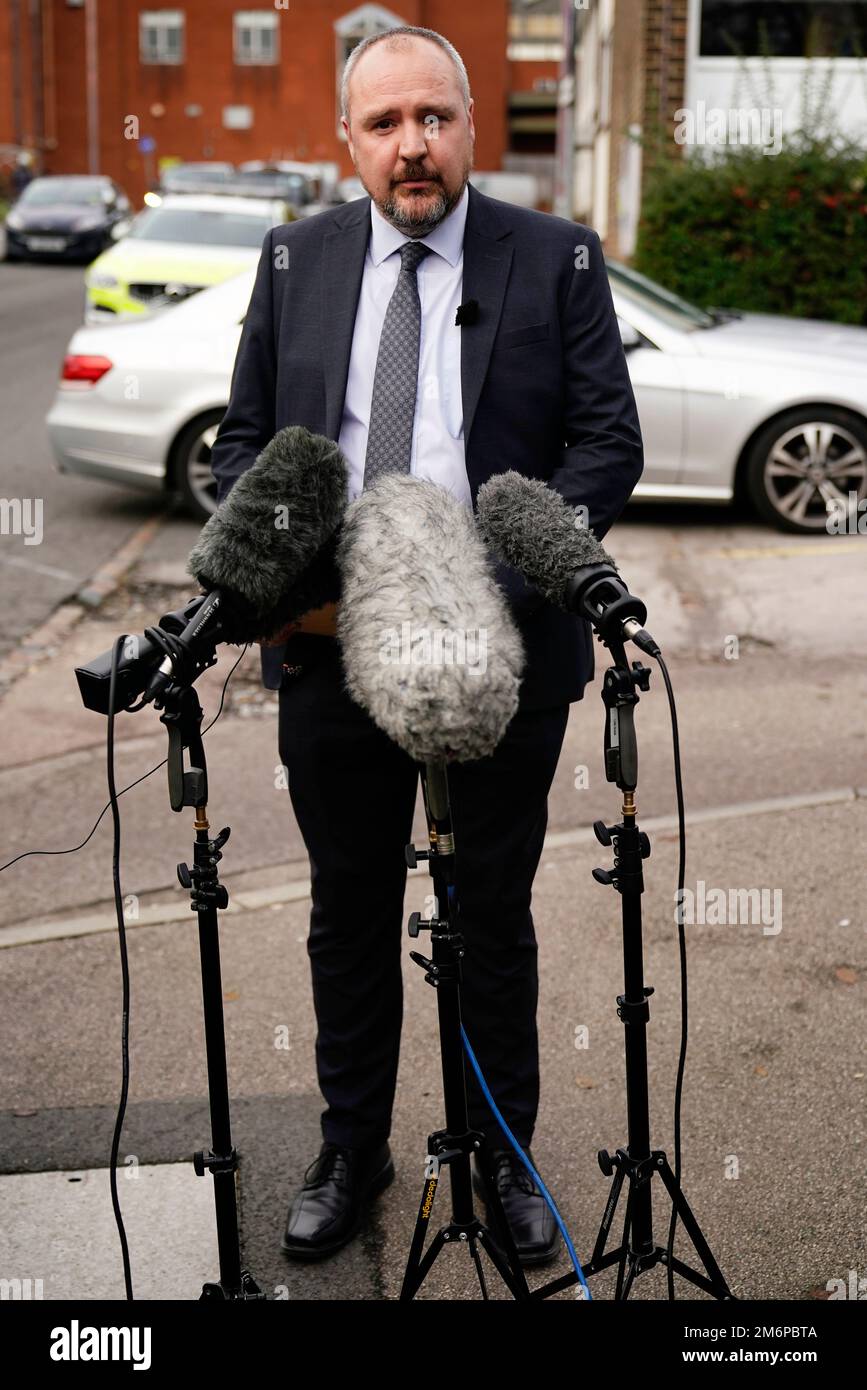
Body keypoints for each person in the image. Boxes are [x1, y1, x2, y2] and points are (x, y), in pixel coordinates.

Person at [209, 24, 644, 1267]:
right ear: (348, 139)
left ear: (471, 124)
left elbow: (605, 447)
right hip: (335, 647)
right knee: (347, 914)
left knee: (490, 916)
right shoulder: (294, 258)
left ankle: (500, 1153)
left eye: (435, 119)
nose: (414, 145)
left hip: (502, 652)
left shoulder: (555, 257)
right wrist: (298, 574)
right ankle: (355, 1145)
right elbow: (249, 449)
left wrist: (477, 590)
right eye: (387, 123)